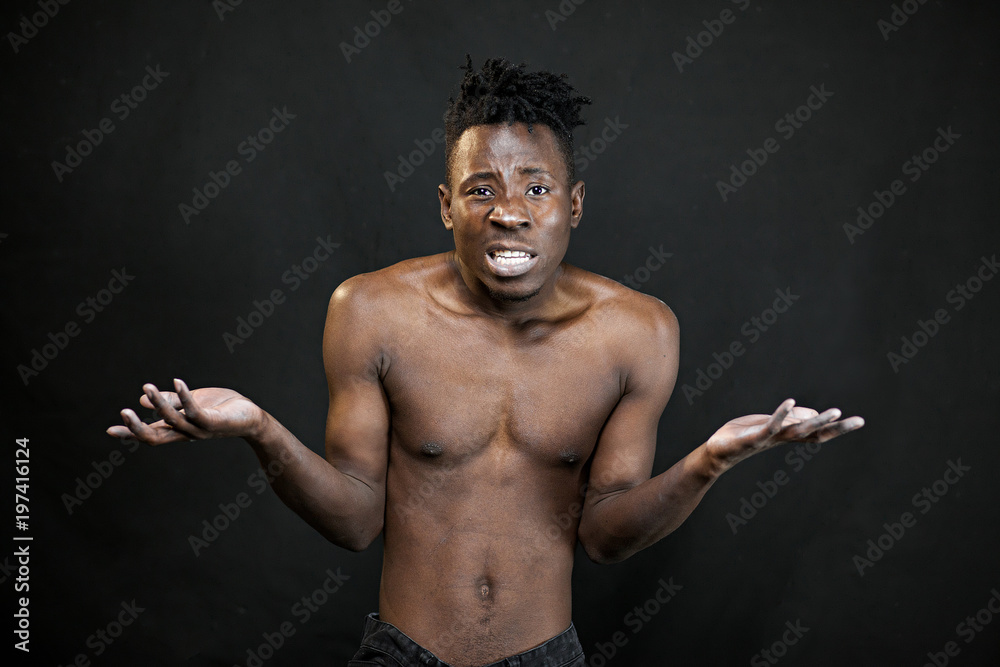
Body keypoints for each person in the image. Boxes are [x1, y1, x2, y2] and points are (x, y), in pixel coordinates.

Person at [107, 56, 864, 667]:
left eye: (537, 186)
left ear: (573, 204)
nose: (509, 210)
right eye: (481, 189)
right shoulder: (370, 311)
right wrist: (261, 428)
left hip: (547, 654)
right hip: (403, 653)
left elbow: (604, 533)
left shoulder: (639, 332)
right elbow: (355, 518)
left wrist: (708, 460)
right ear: (446, 205)